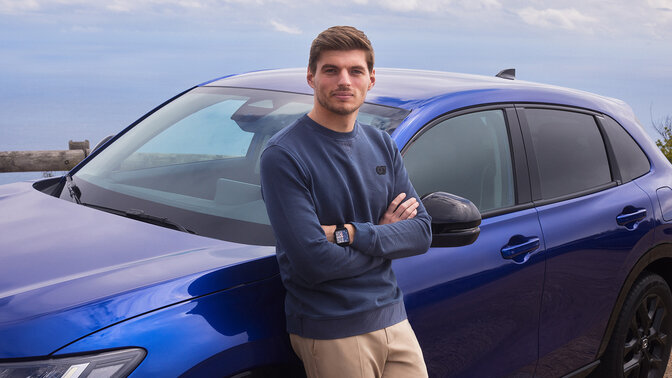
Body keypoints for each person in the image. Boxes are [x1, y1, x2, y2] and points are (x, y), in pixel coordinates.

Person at [260, 25, 432, 378]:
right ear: (311, 77)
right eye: (331, 70)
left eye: (355, 71)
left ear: (371, 79)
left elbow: (421, 233)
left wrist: (351, 233)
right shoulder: (284, 154)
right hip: (332, 328)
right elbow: (313, 263)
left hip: (394, 316)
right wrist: (385, 237)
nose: (344, 80)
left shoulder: (382, 144)